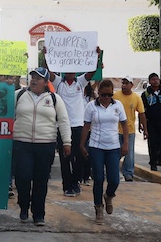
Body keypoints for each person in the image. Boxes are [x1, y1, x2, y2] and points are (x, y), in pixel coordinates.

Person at [13, 67, 71, 226]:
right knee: (22, 178)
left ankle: (38, 214)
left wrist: (67, 142)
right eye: (32, 77)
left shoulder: (54, 99)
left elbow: (64, 121)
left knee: (41, 181)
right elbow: (3, 113)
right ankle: (24, 205)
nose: (34, 80)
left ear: (46, 83)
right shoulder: (19, 95)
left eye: (38, 78)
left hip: (45, 145)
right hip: (21, 144)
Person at [48, 47, 100, 197]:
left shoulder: (81, 82)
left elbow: (91, 71)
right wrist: (46, 55)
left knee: (80, 155)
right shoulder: (58, 82)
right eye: (67, 71)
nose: (70, 73)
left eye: (72, 71)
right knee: (65, 157)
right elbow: (49, 72)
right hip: (62, 126)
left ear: (75, 72)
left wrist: (96, 56)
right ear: (64, 72)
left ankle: (75, 181)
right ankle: (67, 186)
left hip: (78, 125)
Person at [80, 80, 128, 225]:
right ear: (98, 93)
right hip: (96, 147)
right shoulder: (91, 106)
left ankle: (108, 196)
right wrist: (82, 145)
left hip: (113, 147)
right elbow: (86, 126)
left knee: (114, 179)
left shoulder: (118, 105)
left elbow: (125, 125)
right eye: (103, 94)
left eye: (109, 94)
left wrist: (126, 143)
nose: (106, 97)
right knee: (99, 179)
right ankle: (98, 208)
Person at [113, 76, 148, 181]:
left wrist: (144, 129)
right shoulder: (116, 96)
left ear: (131, 85)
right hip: (116, 130)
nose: (124, 85)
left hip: (130, 130)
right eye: (123, 83)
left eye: (126, 83)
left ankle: (128, 173)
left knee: (129, 153)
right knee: (115, 152)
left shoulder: (136, 98)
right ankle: (113, 170)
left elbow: (141, 113)